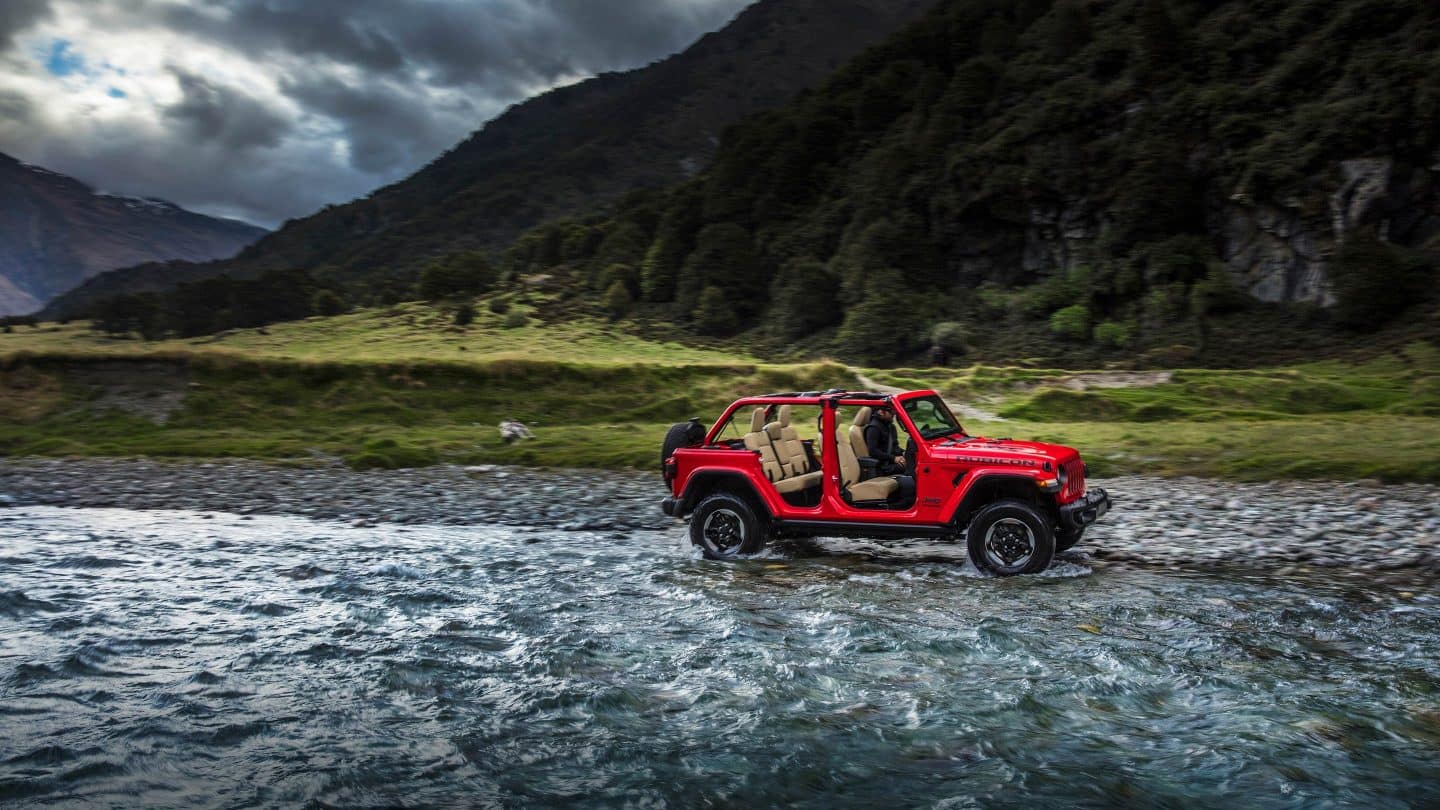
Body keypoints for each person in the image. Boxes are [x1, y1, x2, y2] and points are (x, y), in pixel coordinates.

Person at [863, 405, 907, 476]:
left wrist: (904, 453)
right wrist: (894, 458)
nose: (894, 414)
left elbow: (894, 446)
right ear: (880, 412)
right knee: (913, 469)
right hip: (882, 466)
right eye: (891, 411)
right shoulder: (873, 428)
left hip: (891, 461)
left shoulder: (890, 426)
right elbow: (873, 451)